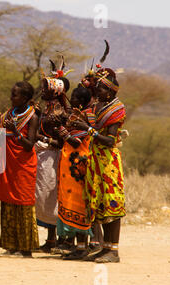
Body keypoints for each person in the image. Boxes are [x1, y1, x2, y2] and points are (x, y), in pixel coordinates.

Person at [70, 70, 126, 263]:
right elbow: (95, 127)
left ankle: (114, 250)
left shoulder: (116, 109)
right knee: (99, 202)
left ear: (110, 92)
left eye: (101, 88)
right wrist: (83, 121)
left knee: (112, 203)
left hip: (109, 162)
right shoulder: (100, 105)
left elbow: (110, 140)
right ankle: (105, 248)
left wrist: (88, 129)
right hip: (96, 160)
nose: (98, 90)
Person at [0, 81, 40, 257]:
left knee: (23, 202)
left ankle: (26, 248)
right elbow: (1, 135)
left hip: (23, 165)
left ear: (26, 98)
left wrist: (16, 132)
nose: (12, 97)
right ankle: (11, 244)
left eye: (16, 95)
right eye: (12, 94)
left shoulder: (32, 117)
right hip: (8, 163)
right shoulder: (8, 114)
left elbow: (29, 145)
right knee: (8, 202)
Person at [56, 86, 93, 260]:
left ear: (82, 100)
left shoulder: (86, 116)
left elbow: (77, 142)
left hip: (78, 165)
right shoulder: (76, 114)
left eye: (75, 98)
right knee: (70, 202)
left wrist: (64, 134)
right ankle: (77, 246)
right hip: (69, 165)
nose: (73, 100)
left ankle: (82, 247)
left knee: (79, 203)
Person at [35, 74, 70, 253]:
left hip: (54, 157)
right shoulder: (48, 110)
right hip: (44, 157)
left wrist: (43, 138)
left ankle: (58, 238)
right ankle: (50, 239)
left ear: (54, 92)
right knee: (45, 196)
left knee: (51, 195)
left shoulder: (58, 113)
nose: (42, 91)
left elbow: (61, 142)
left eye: (46, 89)